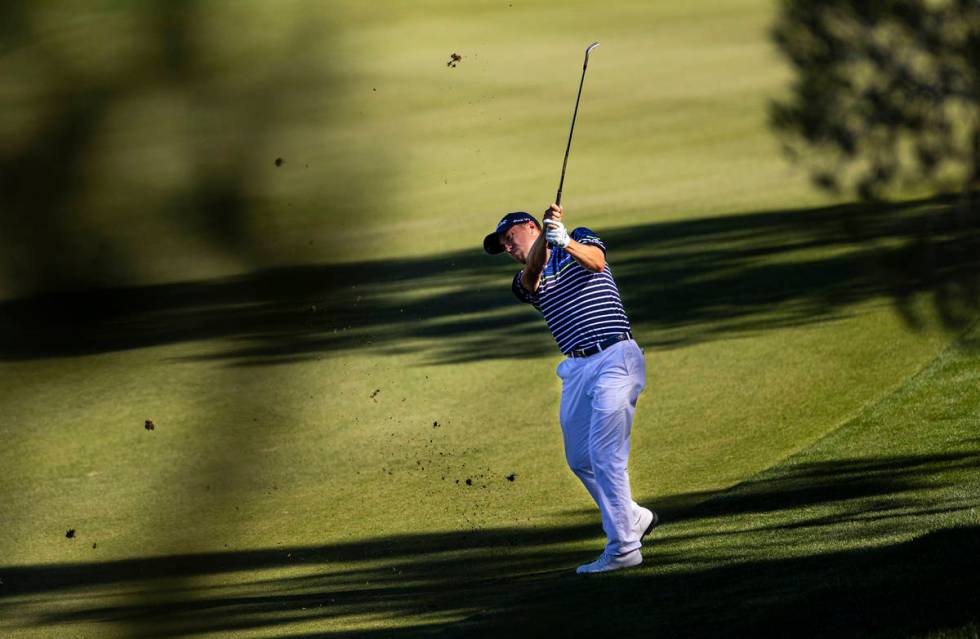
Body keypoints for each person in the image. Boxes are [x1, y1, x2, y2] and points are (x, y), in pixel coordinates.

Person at [483, 204, 657, 574]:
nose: (509, 250)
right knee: (580, 458)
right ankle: (633, 517)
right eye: (504, 248)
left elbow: (596, 262)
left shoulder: (579, 238)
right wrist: (547, 240)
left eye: (511, 239)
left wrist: (564, 239)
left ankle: (624, 547)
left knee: (604, 453)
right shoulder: (524, 281)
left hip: (615, 356)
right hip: (577, 370)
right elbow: (531, 274)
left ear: (529, 226)